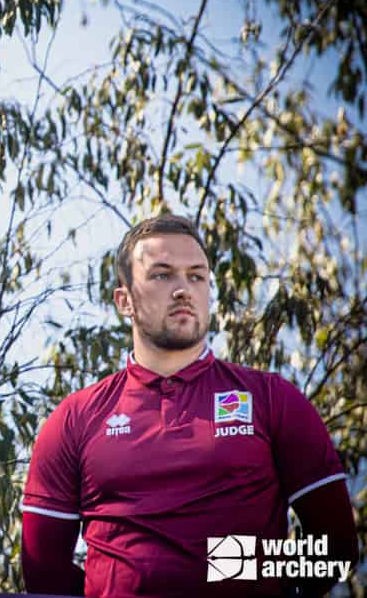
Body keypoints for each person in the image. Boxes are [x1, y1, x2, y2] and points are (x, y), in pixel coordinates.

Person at [21, 215, 358, 598]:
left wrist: (232, 564)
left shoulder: (273, 399)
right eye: (162, 275)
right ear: (124, 301)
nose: (183, 290)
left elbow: (336, 552)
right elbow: (42, 572)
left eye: (196, 276)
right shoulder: (74, 419)